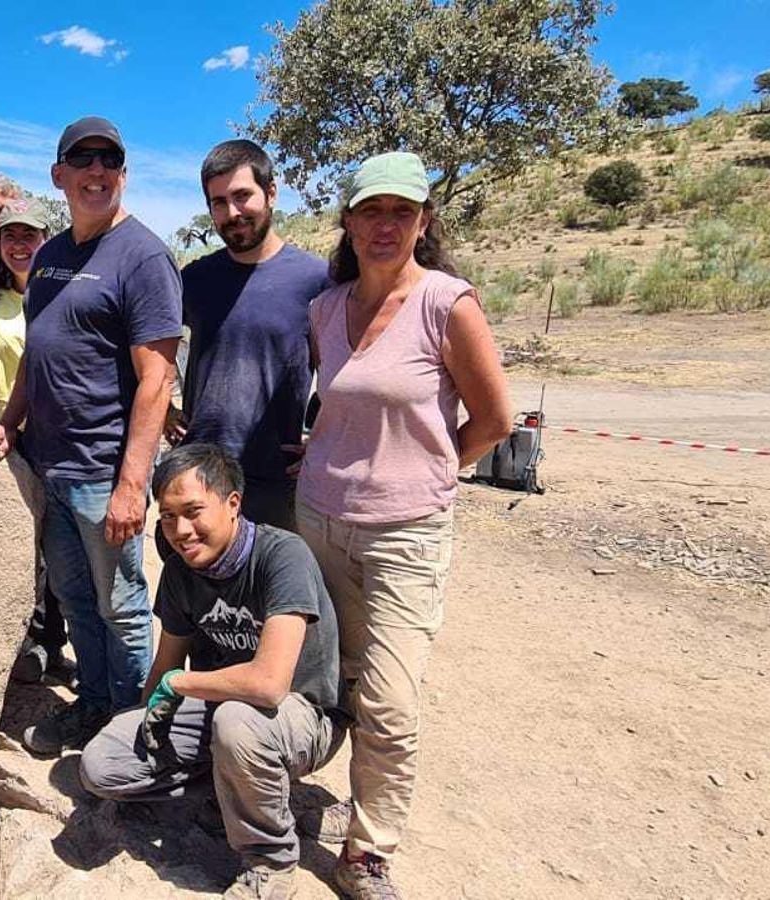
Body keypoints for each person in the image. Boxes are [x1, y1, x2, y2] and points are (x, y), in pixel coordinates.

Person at [294, 151, 512, 899]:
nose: (385, 226)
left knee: (390, 698)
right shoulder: (326, 308)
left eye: (402, 211)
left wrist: (434, 467)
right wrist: (322, 447)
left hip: (404, 534)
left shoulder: (448, 304)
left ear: (424, 221)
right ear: (348, 221)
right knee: (339, 677)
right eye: (370, 211)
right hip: (319, 518)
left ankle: (367, 852)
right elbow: (335, 402)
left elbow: (495, 420)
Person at [0, 116, 181, 755]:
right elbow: (39, 352)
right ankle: (93, 704)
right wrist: (8, 426)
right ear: (58, 175)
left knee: (123, 606)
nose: (96, 172)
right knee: (75, 600)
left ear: (123, 173)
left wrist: (132, 484)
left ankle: (139, 728)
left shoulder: (144, 256)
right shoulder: (54, 254)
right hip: (50, 464)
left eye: (108, 161)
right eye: (81, 161)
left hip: (102, 470)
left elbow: (156, 380)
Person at [79, 444, 346, 900]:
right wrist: (141, 728)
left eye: (193, 511)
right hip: (219, 712)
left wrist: (181, 684)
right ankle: (237, 793)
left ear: (233, 504)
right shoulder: (182, 572)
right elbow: (164, 667)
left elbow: (268, 684)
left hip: (303, 717)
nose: (181, 531)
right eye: (167, 517)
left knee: (237, 723)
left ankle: (271, 861)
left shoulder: (282, 556)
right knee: (101, 765)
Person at [167, 140, 328, 531]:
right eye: (218, 202)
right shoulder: (195, 280)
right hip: (200, 473)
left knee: (270, 589)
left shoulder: (316, 279)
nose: (232, 213)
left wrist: (324, 442)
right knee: (195, 590)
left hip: (276, 479)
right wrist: (164, 413)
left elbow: (344, 370)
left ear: (271, 193)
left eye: (242, 196)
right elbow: (146, 344)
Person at [0, 199, 70, 685]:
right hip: (8, 435)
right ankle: (24, 644)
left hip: (62, 433)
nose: (20, 245)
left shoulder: (64, 291)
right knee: (21, 548)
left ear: (46, 239)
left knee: (64, 546)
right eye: (10, 237)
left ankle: (56, 642)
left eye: (29, 236)